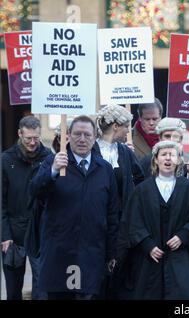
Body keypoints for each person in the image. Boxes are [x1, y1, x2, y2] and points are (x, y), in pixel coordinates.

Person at [30, 116, 119, 300]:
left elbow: (112, 214)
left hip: (91, 252)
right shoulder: (53, 162)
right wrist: (53, 171)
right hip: (60, 251)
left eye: (87, 134)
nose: (82, 139)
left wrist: (112, 252)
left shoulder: (105, 169)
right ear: (68, 135)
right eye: (77, 134)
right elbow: (34, 191)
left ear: (95, 137)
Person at [123, 141, 189, 299]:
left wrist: (183, 236)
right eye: (164, 154)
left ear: (179, 160)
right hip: (150, 258)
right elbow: (133, 221)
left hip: (180, 256)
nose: (168, 159)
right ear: (155, 160)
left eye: (172, 155)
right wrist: (147, 244)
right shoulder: (142, 190)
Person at [94, 104, 145, 298]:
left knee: (120, 271)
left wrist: (133, 202)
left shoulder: (124, 152)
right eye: (126, 126)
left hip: (121, 223)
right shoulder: (91, 150)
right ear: (115, 126)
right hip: (97, 221)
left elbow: (140, 178)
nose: (128, 131)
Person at [2, 115, 52, 300]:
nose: (32, 142)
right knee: (14, 290)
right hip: (14, 235)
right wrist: (5, 235)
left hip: (41, 233)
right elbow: (1, 203)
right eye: (28, 138)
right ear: (19, 135)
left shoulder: (49, 158)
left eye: (36, 138)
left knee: (43, 289)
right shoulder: (6, 160)